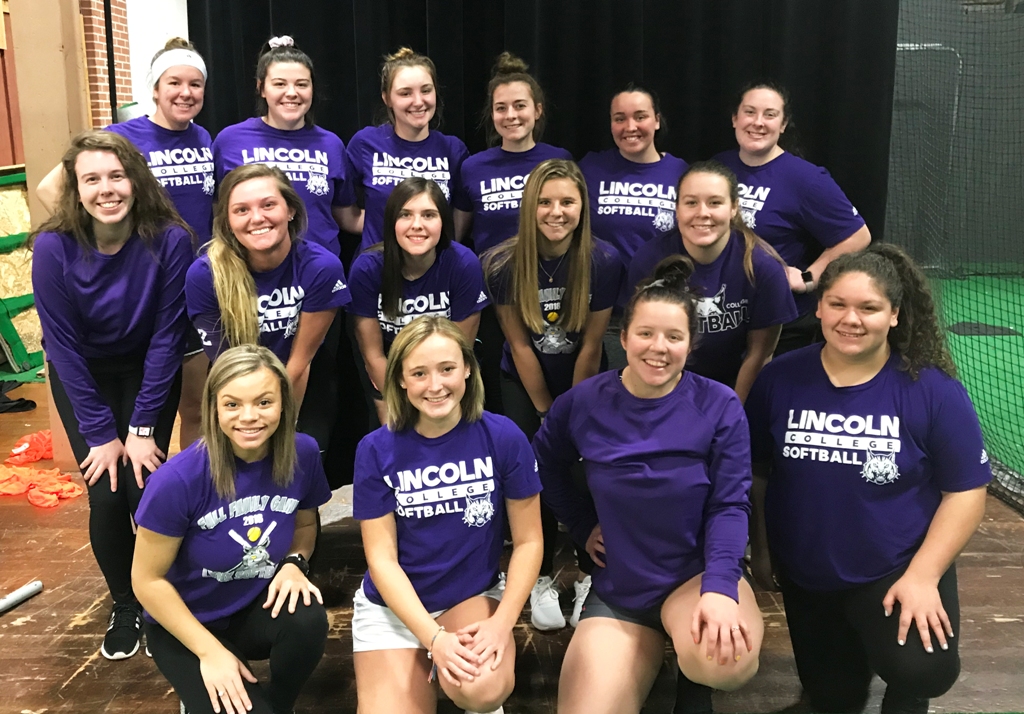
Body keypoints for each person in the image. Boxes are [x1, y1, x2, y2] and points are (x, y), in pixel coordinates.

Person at [746, 244, 990, 714]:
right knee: (833, 702)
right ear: (819, 307)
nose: (851, 319)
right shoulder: (780, 379)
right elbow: (757, 471)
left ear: (894, 315)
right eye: (837, 304)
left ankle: (906, 695)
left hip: (894, 567)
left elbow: (965, 491)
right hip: (807, 571)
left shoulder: (932, 390)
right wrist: (761, 547)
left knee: (923, 669)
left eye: (869, 308)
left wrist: (923, 576)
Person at [533, 259, 763, 714]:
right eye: (645, 333)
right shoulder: (582, 403)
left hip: (695, 576)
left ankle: (692, 679)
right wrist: (580, 524)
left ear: (690, 345)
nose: (659, 347)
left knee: (724, 663)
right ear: (623, 338)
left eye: (674, 337)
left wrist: (720, 587)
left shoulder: (718, 405)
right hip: (622, 587)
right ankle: (648, 652)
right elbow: (543, 464)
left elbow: (730, 505)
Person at [31, 129, 192, 661]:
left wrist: (142, 429)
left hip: (148, 368)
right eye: (92, 179)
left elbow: (168, 336)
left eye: (117, 176)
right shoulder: (53, 246)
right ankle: (125, 603)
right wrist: (102, 434)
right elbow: (62, 347)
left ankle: (157, 595)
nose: (107, 189)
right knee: (106, 491)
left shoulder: (170, 238)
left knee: (144, 485)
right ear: (76, 191)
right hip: (84, 374)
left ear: (135, 180)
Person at [352, 316, 543, 714]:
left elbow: (529, 542)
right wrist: (434, 638)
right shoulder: (374, 449)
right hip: (393, 608)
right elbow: (382, 560)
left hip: (468, 596)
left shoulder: (503, 437)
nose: (435, 385)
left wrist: (502, 623)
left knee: (482, 689)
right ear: (400, 379)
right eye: (419, 373)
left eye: (447, 369)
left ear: (467, 369)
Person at [36, 36, 213, 451]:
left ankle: (188, 483)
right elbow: (50, 189)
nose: (185, 93)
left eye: (195, 84)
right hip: (146, 289)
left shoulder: (204, 138)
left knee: (196, 408)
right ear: (155, 88)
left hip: (190, 288)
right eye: (174, 83)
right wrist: (103, 245)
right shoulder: (122, 137)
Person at [133, 345, 331, 714]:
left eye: (264, 402)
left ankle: (279, 704)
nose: (249, 416)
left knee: (307, 618)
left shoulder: (302, 454)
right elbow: (146, 581)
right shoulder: (177, 480)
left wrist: (294, 563)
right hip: (187, 622)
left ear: (284, 404)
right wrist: (210, 652)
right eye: (233, 404)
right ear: (214, 408)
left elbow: (305, 523)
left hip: (253, 608)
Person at [482, 158, 622, 631]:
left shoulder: (604, 261)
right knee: (531, 469)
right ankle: (537, 576)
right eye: (544, 202)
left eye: (567, 201)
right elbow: (519, 345)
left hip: (584, 378)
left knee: (586, 466)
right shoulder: (501, 263)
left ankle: (588, 573)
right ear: (529, 207)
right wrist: (545, 411)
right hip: (525, 379)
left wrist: (570, 414)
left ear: (583, 207)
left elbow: (592, 346)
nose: (556, 212)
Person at [185, 163, 351, 451]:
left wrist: (282, 427)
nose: (257, 218)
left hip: (301, 378)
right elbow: (228, 363)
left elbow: (300, 362)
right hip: (236, 384)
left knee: (300, 458)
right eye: (241, 210)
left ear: (290, 210)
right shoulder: (204, 275)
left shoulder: (322, 268)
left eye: (268, 205)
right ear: (227, 221)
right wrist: (254, 419)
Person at [714, 81, 871, 353]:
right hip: (722, 316)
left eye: (770, 114)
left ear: (783, 124)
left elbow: (858, 235)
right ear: (735, 119)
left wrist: (809, 278)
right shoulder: (717, 167)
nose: (758, 122)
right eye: (750, 112)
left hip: (779, 323)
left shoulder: (806, 179)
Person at [459, 52, 572, 416]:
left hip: (550, 293)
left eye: (520, 106)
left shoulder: (559, 160)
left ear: (537, 110)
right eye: (501, 108)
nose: (511, 115)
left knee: (550, 384)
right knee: (498, 393)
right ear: (492, 114)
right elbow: (457, 237)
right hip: (493, 300)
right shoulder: (473, 167)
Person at [627, 161, 797, 401]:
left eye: (715, 202)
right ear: (677, 209)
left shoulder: (764, 268)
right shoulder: (650, 260)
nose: (702, 213)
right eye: (691, 203)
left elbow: (759, 355)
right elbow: (641, 343)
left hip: (731, 387)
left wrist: (733, 410)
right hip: (663, 381)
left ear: (734, 208)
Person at [349, 177, 488, 427]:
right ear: (392, 222)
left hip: (446, 375)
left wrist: (433, 398)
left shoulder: (463, 264)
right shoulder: (367, 269)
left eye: (428, 215)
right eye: (405, 215)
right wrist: (403, 402)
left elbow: (458, 353)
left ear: (443, 221)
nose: (417, 225)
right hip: (390, 374)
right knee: (397, 436)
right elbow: (373, 355)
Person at [212, 36, 361, 258]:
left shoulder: (331, 144)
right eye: (280, 84)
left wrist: (404, 221)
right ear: (261, 88)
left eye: (301, 84)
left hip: (319, 268)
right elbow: (218, 211)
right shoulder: (230, 140)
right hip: (250, 267)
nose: (292, 93)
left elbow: (346, 216)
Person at [338, 47, 471, 253]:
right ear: (387, 98)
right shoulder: (365, 143)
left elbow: (460, 216)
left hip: (433, 265)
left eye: (426, 90)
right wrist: (381, 228)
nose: (418, 101)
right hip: (377, 265)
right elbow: (342, 208)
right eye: (405, 93)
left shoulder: (453, 150)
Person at [579, 85, 688, 267]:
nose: (630, 127)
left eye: (640, 117)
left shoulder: (682, 173)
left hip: (660, 282)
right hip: (601, 282)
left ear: (657, 121)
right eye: (620, 119)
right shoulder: (590, 168)